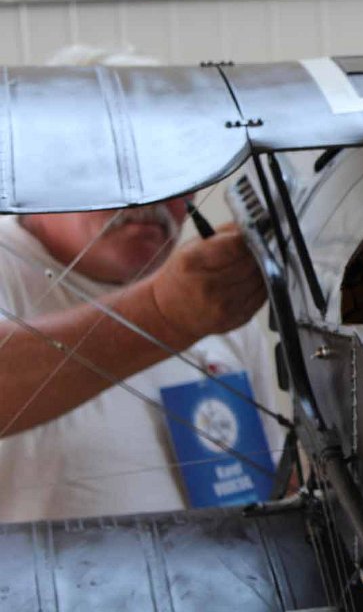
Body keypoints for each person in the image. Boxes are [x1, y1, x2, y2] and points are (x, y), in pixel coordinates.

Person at [0, 47, 278, 522]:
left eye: (175, 169)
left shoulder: (214, 296)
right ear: (46, 159)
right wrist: (164, 315)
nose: (151, 195)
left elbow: (269, 486)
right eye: (122, 162)